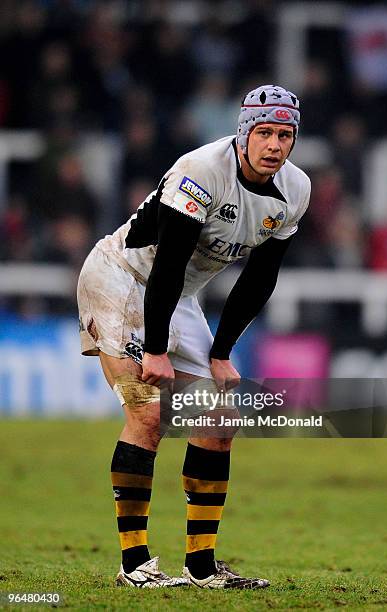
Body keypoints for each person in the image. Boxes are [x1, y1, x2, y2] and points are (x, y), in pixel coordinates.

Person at [77, 85, 310, 589]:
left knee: (220, 420)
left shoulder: (296, 189)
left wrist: (222, 353)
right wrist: (157, 350)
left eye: (285, 134)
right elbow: (169, 262)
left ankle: (202, 569)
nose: (274, 144)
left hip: (176, 296)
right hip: (120, 279)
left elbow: (258, 279)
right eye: (264, 132)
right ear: (244, 132)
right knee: (147, 412)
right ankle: (135, 567)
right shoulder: (200, 171)